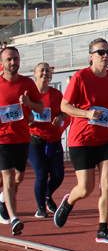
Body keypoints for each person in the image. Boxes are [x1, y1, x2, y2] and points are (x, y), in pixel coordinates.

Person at [55, 38, 108, 244]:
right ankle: (69, 201)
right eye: (100, 53)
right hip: (83, 139)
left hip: (107, 138)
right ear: (91, 56)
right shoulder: (81, 77)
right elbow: (64, 106)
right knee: (86, 188)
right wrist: (87, 114)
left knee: (107, 182)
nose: (105, 56)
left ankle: (103, 229)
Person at [0, 47, 43, 235]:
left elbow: (40, 108)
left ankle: (3, 200)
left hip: (22, 138)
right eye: (9, 59)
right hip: (2, 139)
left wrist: (28, 103)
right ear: (2, 62)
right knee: (8, 177)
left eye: (15, 59)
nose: (13, 63)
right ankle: (14, 218)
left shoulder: (27, 83)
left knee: (18, 177)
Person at [28, 62, 66, 218]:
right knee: (42, 173)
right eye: (41, 70)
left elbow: (65, 112)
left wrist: (60, 118)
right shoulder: (28, 94)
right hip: (34, 139)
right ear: (34, 74)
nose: (45, 73)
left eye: (48, 71)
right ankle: (41, 208)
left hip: (53, 139)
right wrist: (28, 120)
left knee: (58, 175)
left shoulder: (56, 94)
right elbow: (19, 113)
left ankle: (47, 195)